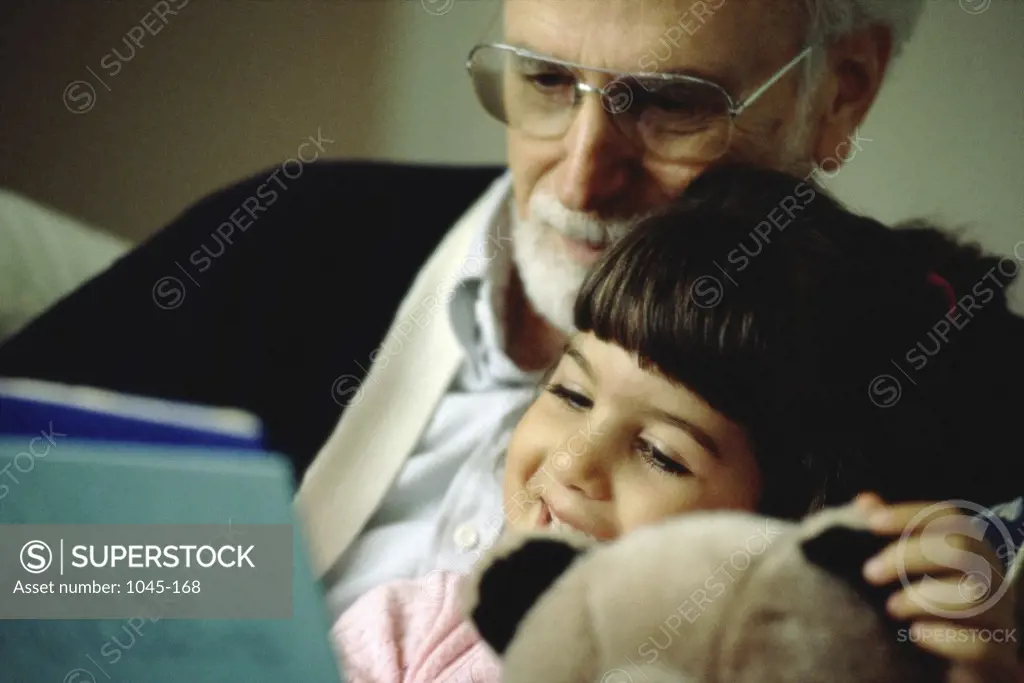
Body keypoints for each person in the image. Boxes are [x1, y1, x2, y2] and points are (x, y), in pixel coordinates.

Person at [1, 0, 1020, 618]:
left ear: (841, 93)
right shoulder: (297, 236)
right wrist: (214, 581)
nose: (579, 176)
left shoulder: (931, 365)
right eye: (541, 79)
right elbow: (26, 540)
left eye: (666, 101)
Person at [330, 164, 1020, 683]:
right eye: (571, 394)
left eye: (661, 454)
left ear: (787, 518)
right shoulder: (414, 627)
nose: (572, 461)